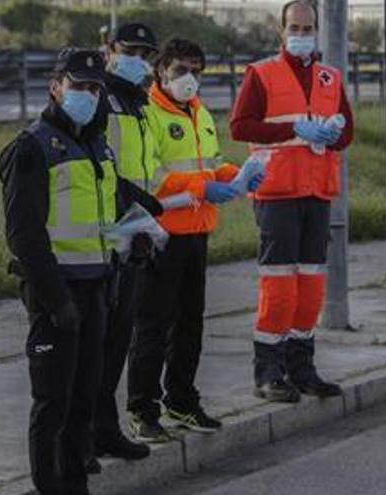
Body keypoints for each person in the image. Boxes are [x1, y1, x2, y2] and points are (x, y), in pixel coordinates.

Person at [0, 48, 159, 495]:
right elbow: (24, 236)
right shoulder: (32, 147)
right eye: (78, 86)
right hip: (57, 297)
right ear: (56, 87)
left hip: (97, 290)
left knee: (83, 401)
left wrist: (136, 235)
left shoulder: (96, 144)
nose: (88, 95)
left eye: (94, 88)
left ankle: (74, 485)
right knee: (53, 405)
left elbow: (108, 206)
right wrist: (56, 300)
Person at [127, 37, 261, 442]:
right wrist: (204, 186)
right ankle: (142, 409)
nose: (190, 79)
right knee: (152, 325)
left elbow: (212, 161)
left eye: (197, 71)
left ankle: (182, 401)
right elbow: (151, 177)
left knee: (189, 324)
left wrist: (238, 175)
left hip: (197, 231)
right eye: (181, 70)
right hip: (161, 234)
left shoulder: (198, 111)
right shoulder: (146, 113)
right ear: (161, 70)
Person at [230, 0, 353, 402]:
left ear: (318, 30)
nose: (303, 35)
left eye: (308, 28)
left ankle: (302, 369)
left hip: (317, 193)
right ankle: (268, 372)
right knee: (280, 286)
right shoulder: (262, 75)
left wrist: (334, 132)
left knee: (310, 287)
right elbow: (240, 126)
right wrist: (291, 129)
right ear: (281, 32)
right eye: (295, 28)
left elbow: (347, 133)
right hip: (277, 193)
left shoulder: (330, 78)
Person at [93, 22, 160, 463]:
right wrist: (137, 208)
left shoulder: (139, 103)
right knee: (93, 347)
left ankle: (105, 428)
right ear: (110, 49)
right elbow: (97, 166)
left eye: (144, 52)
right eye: (129, 50)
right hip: (102, 231)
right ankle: (83, 435)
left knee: (117, 340)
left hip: (133, 231)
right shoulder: (98, 97)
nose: (138, 58)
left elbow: (145, 165)